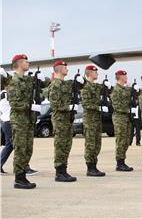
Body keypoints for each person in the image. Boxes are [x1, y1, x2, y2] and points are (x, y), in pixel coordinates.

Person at [7, 54, 50, 188]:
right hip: (19, 121)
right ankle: (19, 178)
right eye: (26, 62)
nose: (28, 63)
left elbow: (46, 84)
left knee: (28, 149)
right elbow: (14, 103)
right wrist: (29, 106)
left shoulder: (28, 80)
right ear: (19, 63)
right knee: (20, 149)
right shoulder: (14, 81)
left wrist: (42, 79)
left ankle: (23, 175)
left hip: (29, 120)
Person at [48, 60, 83, 182]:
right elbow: (55, 104)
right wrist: (68, 107)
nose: (67, 69)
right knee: (60, 145)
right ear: (58, 69)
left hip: (67, 119)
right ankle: (59, 172)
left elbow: (77, 86)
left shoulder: (65, 84)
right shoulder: (55, 85)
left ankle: (64, 170)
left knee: (67, 145)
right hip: (59, 120)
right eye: (65, 67)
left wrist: (80, 79)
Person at [81, 65, 110, 176]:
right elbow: (86, 104)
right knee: (90, 144)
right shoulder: (85, 86)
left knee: (97, 144)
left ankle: (94, 166)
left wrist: (107, 86)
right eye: (95, 72)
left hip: (97, 120)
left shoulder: (96, 86)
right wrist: (98, 107)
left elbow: (106, 90)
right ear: (90, 73)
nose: (97, 74)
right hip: (90, 120)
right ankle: (90, 168)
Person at [111, 70, 138, 171]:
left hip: (126, 117)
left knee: (126, 140)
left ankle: (122, 161)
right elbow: (116, 106)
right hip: (119, 117)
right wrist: (129, 109)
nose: (127, 77)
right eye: (125, 76)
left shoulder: (125, 89)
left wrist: (135, 90)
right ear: (121, 77)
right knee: (121, 140)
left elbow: (133, 95)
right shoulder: (115, 90)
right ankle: (119, 163)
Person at [1, 90, 13, 174]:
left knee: (9, 145)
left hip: (6, 122)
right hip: (8, 122)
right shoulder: (5, 93)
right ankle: (24, 168)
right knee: (15, 145)